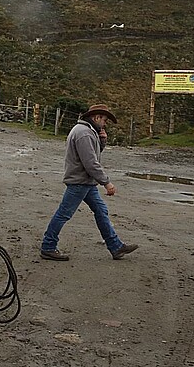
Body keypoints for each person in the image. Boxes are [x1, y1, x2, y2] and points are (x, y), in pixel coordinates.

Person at [40, 104, 138, 261]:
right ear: (96, 117)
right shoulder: (84, 134)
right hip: (80, 182)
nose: (105, 124)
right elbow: (90, 163)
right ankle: (48, 246)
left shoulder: (87, 131)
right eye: (104, 120)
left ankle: (116, 246)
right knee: (64, 214)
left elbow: (93, 154)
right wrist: (106, 182)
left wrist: (102, 141)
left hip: (86, 182)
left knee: (101, 211)